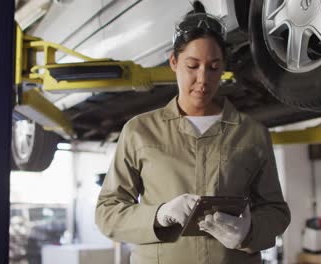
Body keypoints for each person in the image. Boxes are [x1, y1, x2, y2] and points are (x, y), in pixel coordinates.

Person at [95, 7, 290, 264]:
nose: (203, 79)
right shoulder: (139, 131)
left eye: (213, 67)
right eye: (192, 65)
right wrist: (159, 215)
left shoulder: (252, 134)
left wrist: (248, 232)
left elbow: (276, 211)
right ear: (174, 62)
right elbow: (107, 212)